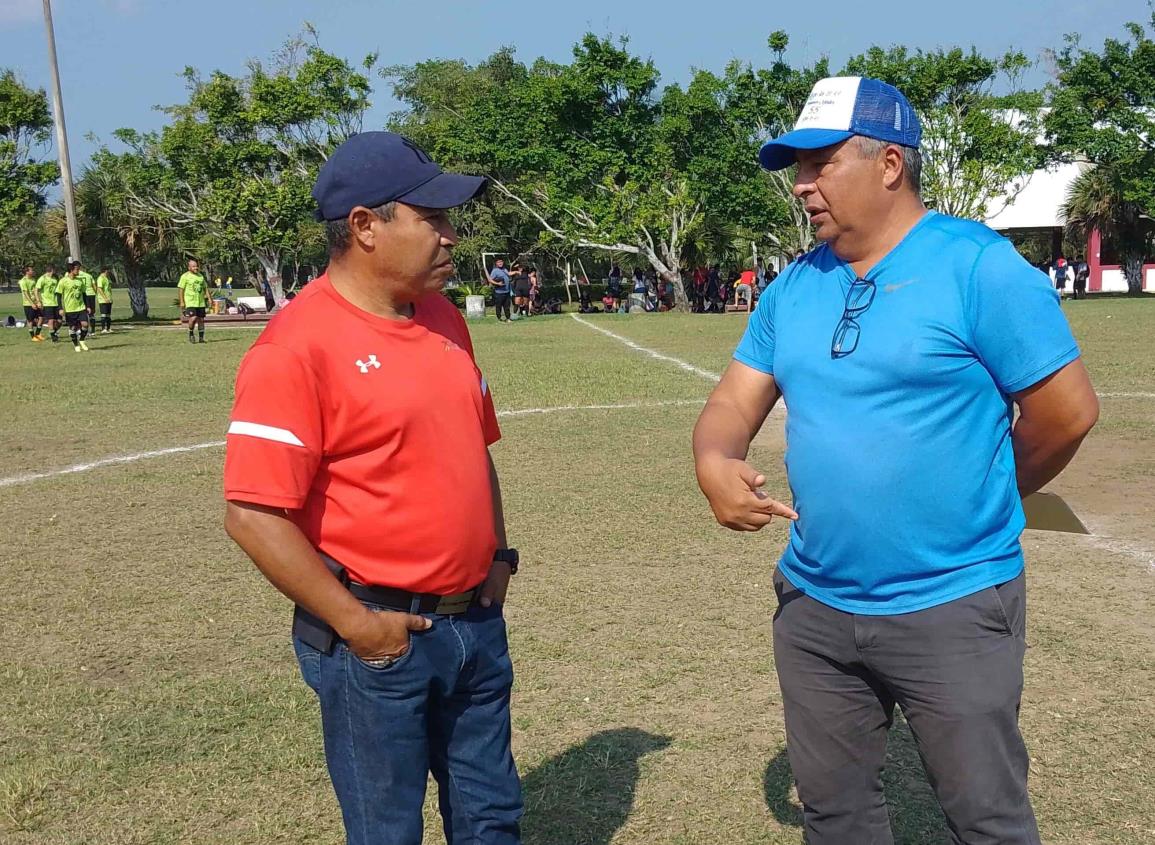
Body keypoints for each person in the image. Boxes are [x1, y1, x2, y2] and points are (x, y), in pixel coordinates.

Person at [693, 76, 1099, 845]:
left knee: (985, 818)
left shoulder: (977, 267)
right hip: (814, 606)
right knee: (836, 816)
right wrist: (713, 458)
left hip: (951, 602)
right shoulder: (793, 288)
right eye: (796, 168)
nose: (803, 185)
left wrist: (988, 490)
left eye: (819, 163)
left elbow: (1065, 413)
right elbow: (729, 406)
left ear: (888, 163)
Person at [223, 131, 522, 845]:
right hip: (378, 641)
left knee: (491, 817)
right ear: (364, 225)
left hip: (473, 625)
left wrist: (499, 556)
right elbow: (252, 513)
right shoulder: (297, 346)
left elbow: (473, 450)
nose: (451, 236)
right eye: (432, 219)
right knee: (387, 830)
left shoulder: (444, 319)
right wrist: (358, 624)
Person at [58, 262, 91, 352]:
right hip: (69, 309)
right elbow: (58, 295)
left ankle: (82, 340)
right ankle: (76, 344)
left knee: (85, 324)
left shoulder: (80, 281)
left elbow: (84, 294)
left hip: (80, 307)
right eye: (77, 269)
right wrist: (60, 308)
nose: (78, 271)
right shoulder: (63, 281)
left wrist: (88, 306)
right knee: (72, 328)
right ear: (71, 270)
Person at [178, 259, 210, 344]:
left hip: (200, 302)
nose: (196, 268)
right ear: (189, 268)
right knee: (193, 318)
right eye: (193, 266)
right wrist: (182, 301)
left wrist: (210, 299)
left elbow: (205, 288)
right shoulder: (185, 276)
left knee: (201, 319)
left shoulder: (200, 276)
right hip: (190, 301)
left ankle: (201, 338)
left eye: (196, 266)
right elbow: (181, 289)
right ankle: (191, 333)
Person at [35, 264, 61, 343]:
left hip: (56, 303)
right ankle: (53, 337)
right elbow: (36, 290)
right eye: (55, 270)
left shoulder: (55, 278)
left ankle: (53, 332)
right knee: (51, 320)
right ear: (52, 270)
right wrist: (39, 301)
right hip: (47, 303)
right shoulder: (42, 279)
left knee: (59, 321)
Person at [18, 265, 43, 342]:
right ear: (27, 272)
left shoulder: (33, 280)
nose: (33, 271)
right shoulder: (23, 281)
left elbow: (35, 291)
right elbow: (26, 293)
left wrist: (38, 301)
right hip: (28, 304)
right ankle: (33, 337)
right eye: (31, 270)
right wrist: (32, 303)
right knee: (30, 321)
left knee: (41, 318)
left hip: (36, 302)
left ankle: (37, 334)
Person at [489, 257, 512, 321]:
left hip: (507, 292)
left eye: (501, 261)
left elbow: (509, 274)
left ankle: (508, 318)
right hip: (499, 292)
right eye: (498, 262)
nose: (500, 263)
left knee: (507, 306)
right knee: (499, 306)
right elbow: (490, 280)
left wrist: (516, 272)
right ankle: (499, 318)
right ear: (496, 263)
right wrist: (497, 283)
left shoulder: (505, 269)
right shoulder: (495, 270)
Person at [76, 261, 97, 331]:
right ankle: (93, 330)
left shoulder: (77, 275)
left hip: (82, 294)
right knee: (92, 313)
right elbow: (94, 286)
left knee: (81, 312)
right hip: (91, 294)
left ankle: (81, 329)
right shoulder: (89, 275)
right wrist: (96, 293)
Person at [95, 267, 114, 333]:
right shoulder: (100, 278)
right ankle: (103, 329)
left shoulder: (107, 278)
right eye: (108, 270)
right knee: (104, 314)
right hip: (103, 300)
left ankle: (108, 328)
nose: (109, 272)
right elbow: (99, 289)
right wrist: (105, 298)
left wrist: (110, 298)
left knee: (108, 315)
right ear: (105, 271)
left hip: (109, 299)